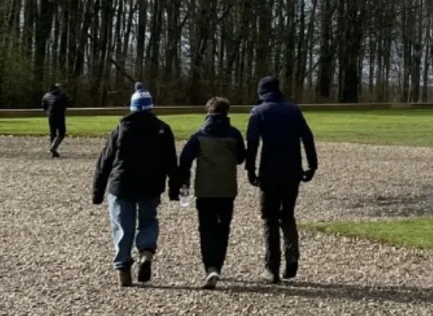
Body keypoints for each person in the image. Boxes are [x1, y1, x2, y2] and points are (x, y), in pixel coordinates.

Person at [92, 82, 179, 288]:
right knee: (148, 221)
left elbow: (105, 161)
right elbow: (171, 162)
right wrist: (174, 190)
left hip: (122, 184)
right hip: (151, 184)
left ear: (132, 107)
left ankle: (123, 268)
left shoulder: (121, 128)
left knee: (123, 226)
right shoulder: (162, 129)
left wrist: (98, 191)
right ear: (151, 107)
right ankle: (146, 252)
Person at [245, 76, 319, 284]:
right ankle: (292, 255)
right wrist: (312, 165)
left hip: (269, 172)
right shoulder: (294, 110)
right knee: (287, 215)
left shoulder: (258, 112)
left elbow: (252, 142)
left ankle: (272, 268)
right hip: (292, 171)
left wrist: (250, 169)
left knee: (269, 217)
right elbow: (307, 137)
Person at [174, 97, 246, 290]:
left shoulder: (198, 136)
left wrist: (184, 184)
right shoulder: (234, 134)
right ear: (227, 112)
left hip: (205, 190)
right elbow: (241, 158)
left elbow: (185, 160)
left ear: (208, 112)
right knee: (223, 229)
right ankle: (218, 265)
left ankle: (210, 267)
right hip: (227, 190)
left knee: (206, 229)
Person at [42, 83, 70, 158]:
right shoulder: (62, 95)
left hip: (50, 116)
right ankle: (53, 147)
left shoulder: (46, 96)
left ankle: (53, 151)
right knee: (62, 133)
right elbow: (66, 104)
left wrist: (48, 112)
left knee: (52, 133)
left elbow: (44, 107)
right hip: (59, 115)